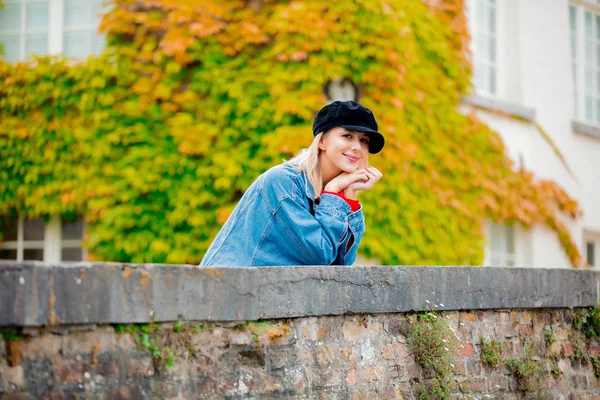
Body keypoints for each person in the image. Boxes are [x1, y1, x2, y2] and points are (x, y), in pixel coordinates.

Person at [200, 100, 384, 267]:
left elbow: (341, 264)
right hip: (229, 291)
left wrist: (349, 195)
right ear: (322, 142)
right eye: (347, 135)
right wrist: (334, 192)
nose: (357, 147)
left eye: (364, 140)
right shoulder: (283, 182)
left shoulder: (334, 191)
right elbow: (320, 255)